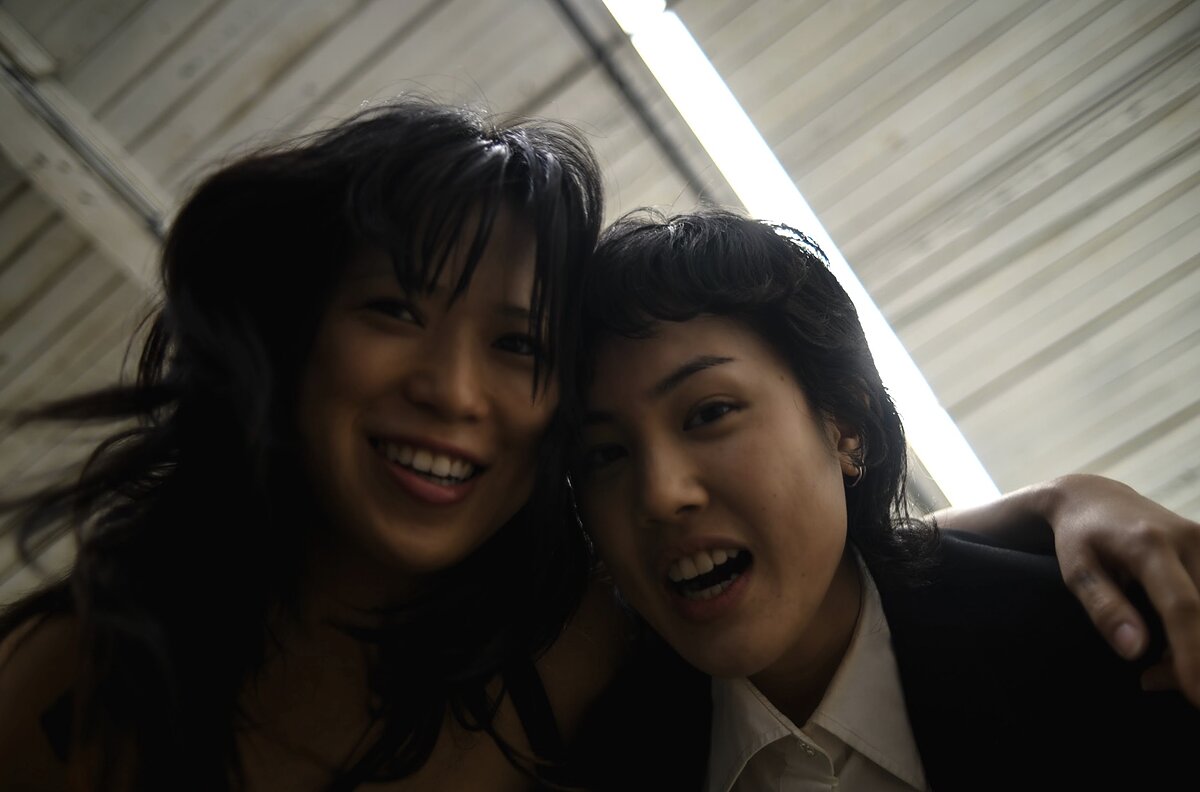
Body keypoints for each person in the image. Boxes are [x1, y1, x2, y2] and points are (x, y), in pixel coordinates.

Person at [0, 100, 1196, 791]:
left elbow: (829, 588)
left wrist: (1062, 503)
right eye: (395, 309)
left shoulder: (572, 628)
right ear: (296, 332)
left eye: (517, 344)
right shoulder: (82, 671)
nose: (453, 389)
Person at [568, 209, 1200, 791]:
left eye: (710, 413)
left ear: (845, 424)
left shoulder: (1108, 653)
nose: (660, 494)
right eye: (603, 454)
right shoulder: (588, 764)